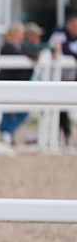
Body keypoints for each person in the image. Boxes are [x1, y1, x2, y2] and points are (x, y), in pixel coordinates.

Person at [0, 23, 33, 145]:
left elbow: (29, 53)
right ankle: (7, 134)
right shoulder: (7, 46)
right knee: (8, 111)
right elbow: (23, 55)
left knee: (21, 112)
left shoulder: (20, 46)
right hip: (7, 84)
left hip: (17, 84)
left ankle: (6, 132)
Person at [48, 14, 77, 147]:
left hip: (70, 76)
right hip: (59, 77)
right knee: (59, 108)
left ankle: (66, 134)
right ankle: (63, 135)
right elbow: (59, 48)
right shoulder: (59, 33)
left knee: (62, 108)